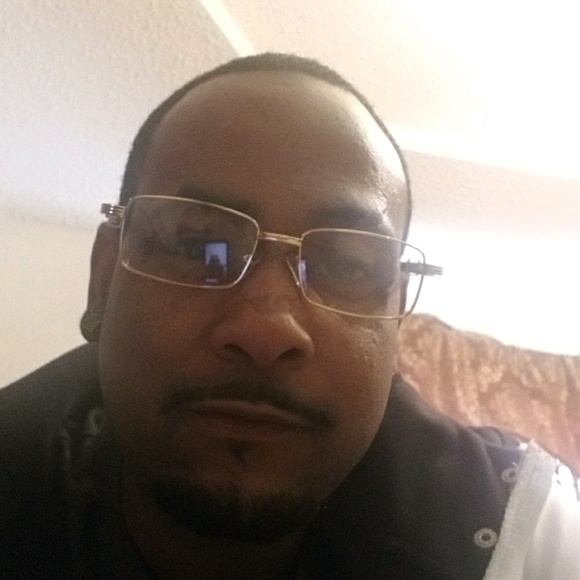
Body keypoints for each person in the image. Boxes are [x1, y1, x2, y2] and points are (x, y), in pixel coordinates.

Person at [1, 53, 578, 580]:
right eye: (200, 247)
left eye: (346, 265)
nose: (266, 329)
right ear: (103, 280)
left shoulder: (532, 545)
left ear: (396, 319)